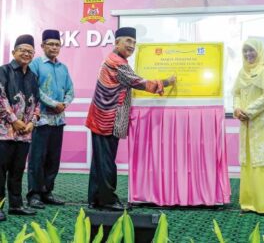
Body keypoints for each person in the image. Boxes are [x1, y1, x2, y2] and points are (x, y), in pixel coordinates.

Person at [85, 27, 176, 211]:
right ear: (116, 42)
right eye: (128, 41)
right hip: (107, 119)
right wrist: (166, 81)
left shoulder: (115, 60)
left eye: (134, 42)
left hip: (103, 117)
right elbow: (139, 82)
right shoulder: (116, 62)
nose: (131, 45)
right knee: (106, 161)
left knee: (100, 161)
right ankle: (107, 200)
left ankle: (95, 198)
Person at [233, 39, 264, 215]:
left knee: (262, 159)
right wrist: (237, 109)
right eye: (245, 51)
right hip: (246, 122)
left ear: (259, 51)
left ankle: (263, 204)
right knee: (249, 160)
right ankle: (248, 202)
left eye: (251, 51)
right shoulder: (242, 71)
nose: (248, 54)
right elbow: (236, 93)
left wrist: (249, 111)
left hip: (262, 121)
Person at [26, 29, 74, 209]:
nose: (54, 47)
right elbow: (34, 89)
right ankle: (34, 194)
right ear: (43, 46)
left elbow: (71, 90)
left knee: (53, 158)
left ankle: (47, 192)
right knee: (37, 158)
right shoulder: (36, 64)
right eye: (50, 44)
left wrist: (64, 103)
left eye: (57, 44)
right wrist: (53, 103)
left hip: (59, 120)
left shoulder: (63, 67)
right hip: (41, 119)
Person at [0, 34, 39, 221]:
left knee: (17, 171)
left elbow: (37, 103)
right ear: (14, 51)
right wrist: (13, 119)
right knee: (0, 171)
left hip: (24, 134)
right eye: (22, 50)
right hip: (4, 132)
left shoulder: (33, 76)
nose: (26, 53)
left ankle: (16, 205)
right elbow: (1, 98)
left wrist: (32, 122)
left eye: (30, 51)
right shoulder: (3, 71)